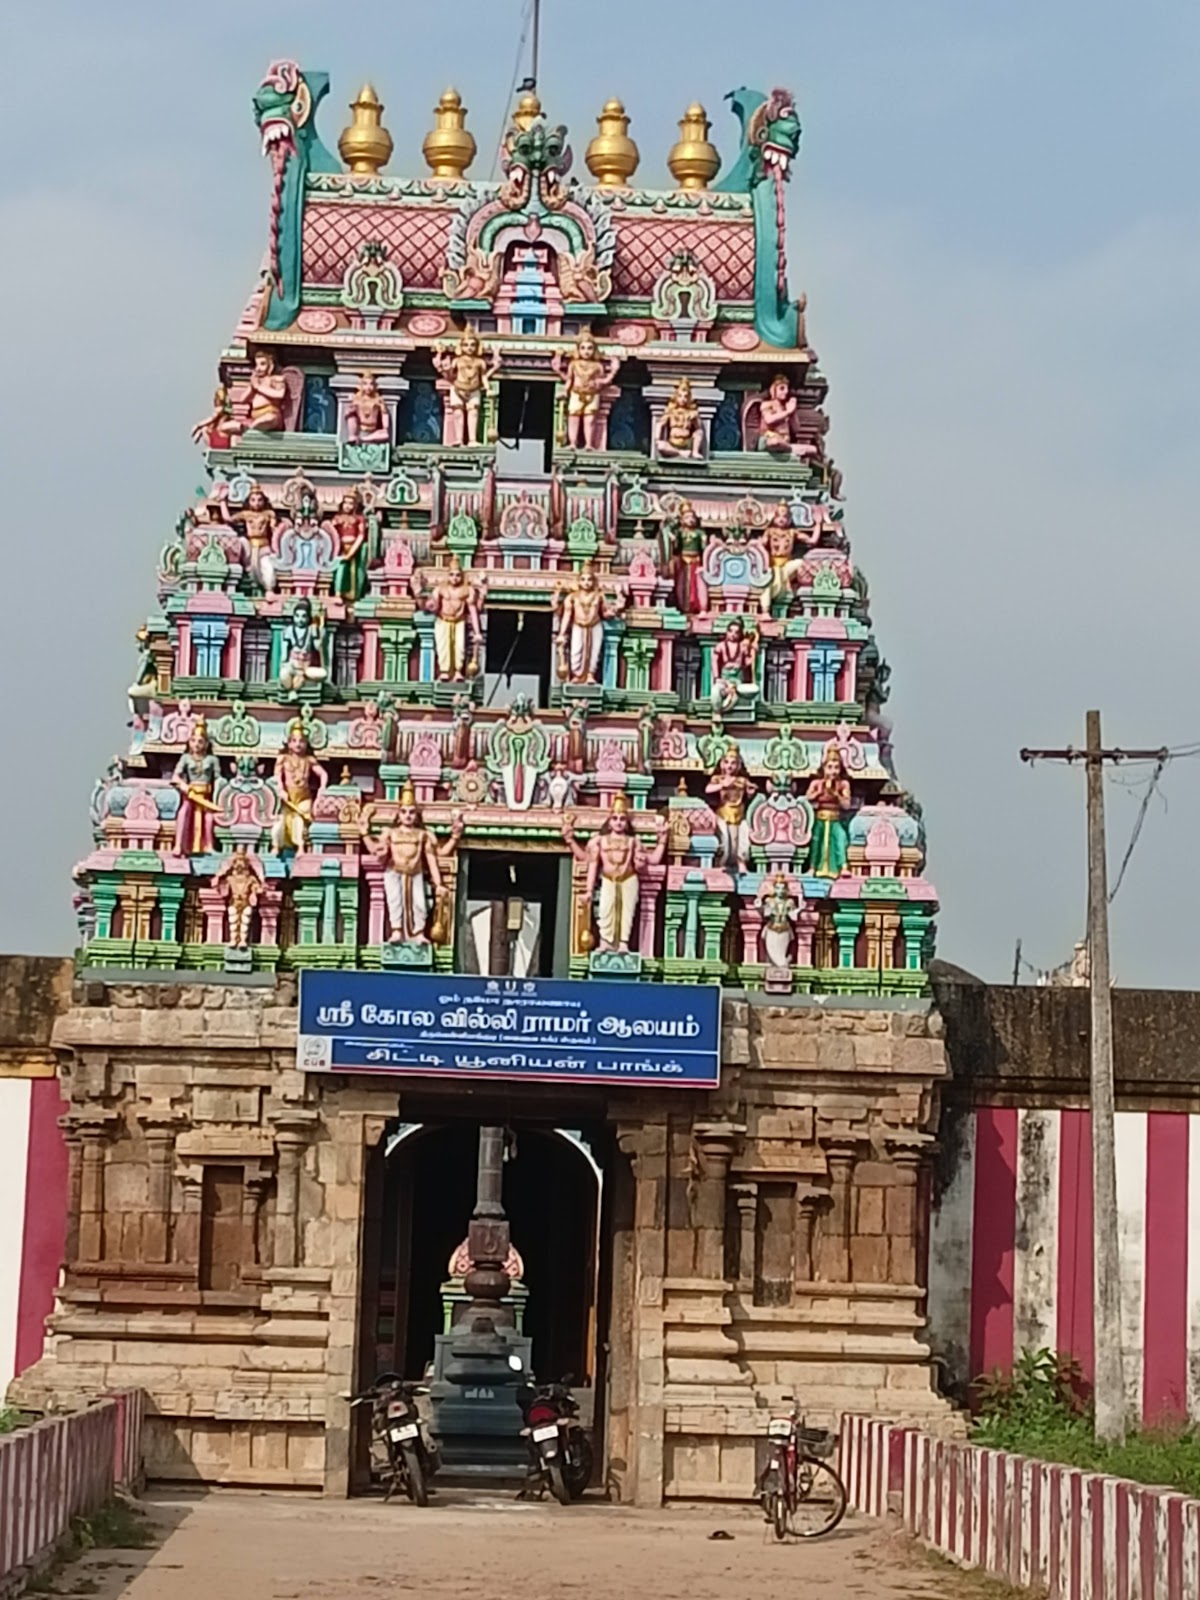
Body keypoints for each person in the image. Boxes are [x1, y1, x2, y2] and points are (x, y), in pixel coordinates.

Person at [562, 797, 667, 953]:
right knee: (605, 911)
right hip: (608, 880)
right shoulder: (599, 841)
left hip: (629, 879)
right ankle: (606, 942)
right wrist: (570, 841)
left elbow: (653, 859)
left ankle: (623, 943)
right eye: (615, 818)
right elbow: (587, 859)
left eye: (622, 819)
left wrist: (662, 841)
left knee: (627, 912)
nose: (618, 822)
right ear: (609, 821)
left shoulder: (633, 842)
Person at [360, 786, 464, 943]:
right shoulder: (391, 833)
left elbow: (435, 857)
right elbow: (375, 850)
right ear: (399, 814)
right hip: (394, 871)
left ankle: (419, 933)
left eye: (411, 812)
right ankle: (396, 931)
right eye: (404, 811)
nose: (407, 816)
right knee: (395, 902)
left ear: (416, 815)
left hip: (416, 873)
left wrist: (455, 838)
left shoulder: (423, 835)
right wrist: (364, 833)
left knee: (420, 904)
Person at [552, 330, 620, 449]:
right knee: (573, 417)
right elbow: (569, 379)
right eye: (583, 348)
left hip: (592, 394)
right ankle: (573, 442)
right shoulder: (574, 364)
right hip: (576, 393)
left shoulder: (597, 366)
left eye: (589, 348)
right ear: (578, 349)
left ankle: (589, 444)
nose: (586, 351)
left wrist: (613, 372)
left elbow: (602, 381)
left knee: (590, 419)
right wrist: (558, 370)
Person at [270, 721, 328, 853]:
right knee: (281, 821)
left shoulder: (309, 760)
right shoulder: (283, 759)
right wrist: (281, 789)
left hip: (304, 797)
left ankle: (301, 846)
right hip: (288, 798)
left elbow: (323, 774)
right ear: (289, 743)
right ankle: (276, 845)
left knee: (299, 819)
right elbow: (277, 776)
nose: (298, 744)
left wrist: (322, 788)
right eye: (294, 741)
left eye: (301, 741)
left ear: (306, 744)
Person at [172, 721, 221, 855]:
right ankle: (178, 845)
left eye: (200, 741)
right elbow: (175, 776)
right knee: (184, 812)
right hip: (190, 793)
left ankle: (209, 845)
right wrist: (184, 786)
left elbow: (218, 779)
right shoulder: (186, 758)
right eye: (193, 740)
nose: (196, 744)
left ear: (206, 744)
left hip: (206, 794)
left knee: (209, 817)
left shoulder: (212, 759)